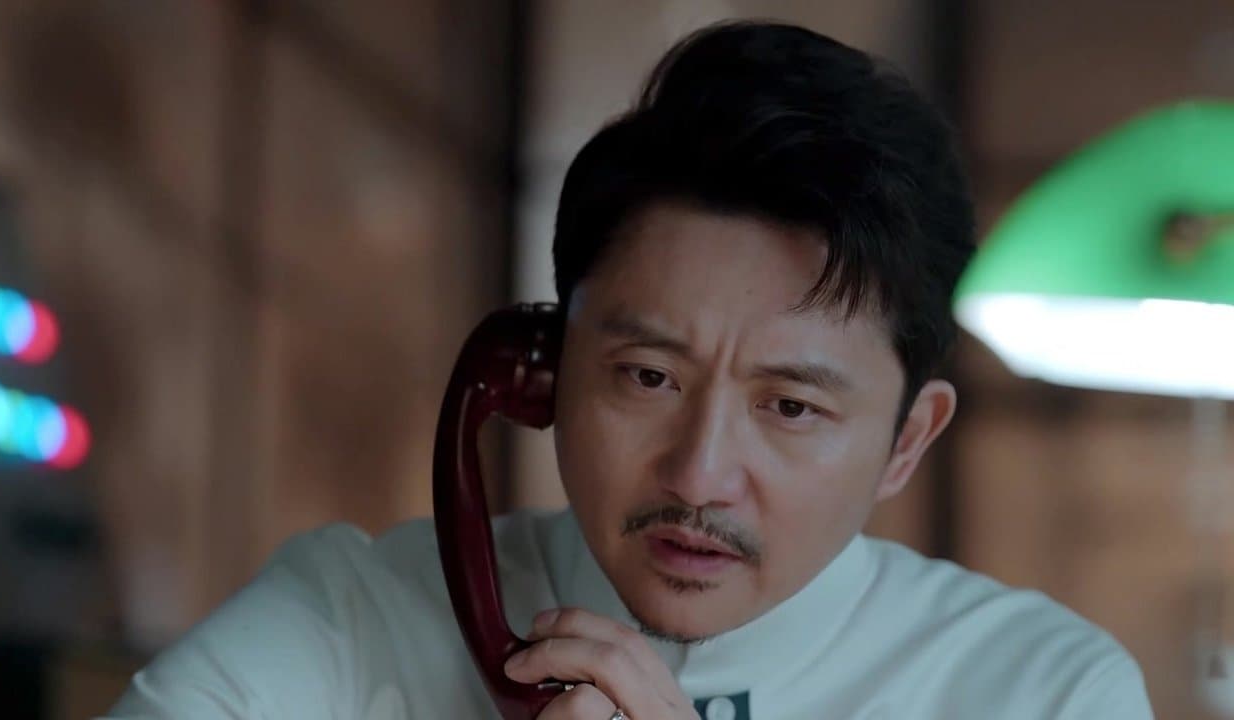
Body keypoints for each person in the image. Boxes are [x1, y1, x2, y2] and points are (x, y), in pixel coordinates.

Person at [104, 20, 1154, 720]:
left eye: (789, 406)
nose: (699, 476)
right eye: (649, 378)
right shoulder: (349, 620)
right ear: (538, 373)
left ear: (905, 441)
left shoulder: (1040, 691)